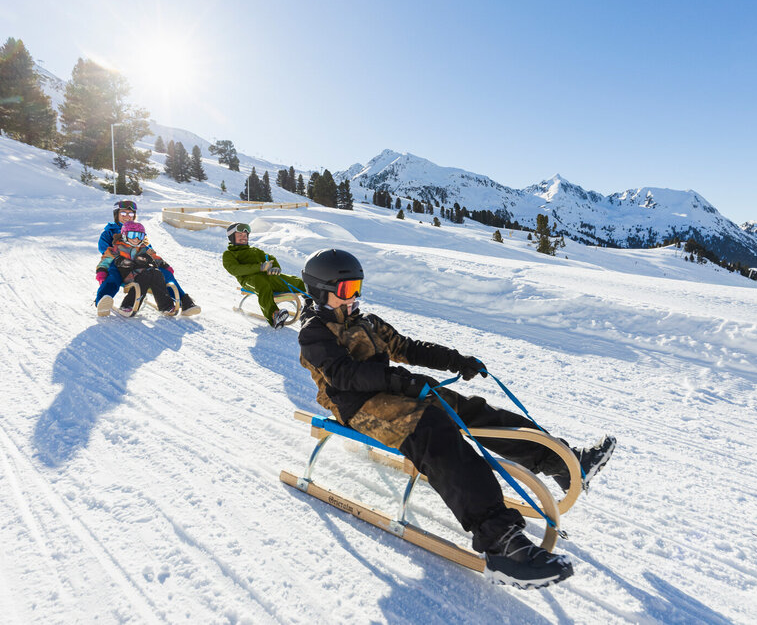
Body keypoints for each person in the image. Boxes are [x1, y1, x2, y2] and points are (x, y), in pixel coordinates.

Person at [296, 248, 616, 589]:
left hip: (391, 390)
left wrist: (456, 360)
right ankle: (501, 544)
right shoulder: (314, 332)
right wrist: (398, 381)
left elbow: (408, 347)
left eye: (357, 287)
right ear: (320, 291)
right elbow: (343, 376)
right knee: (435, 431)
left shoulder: (366, 321)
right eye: (346, 290)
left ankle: (564, 464)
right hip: (357, 407)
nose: (354, 297)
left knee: (469, 410)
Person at [95, 200, 200, 316]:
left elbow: (147, 249)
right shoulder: (109, 232)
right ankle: (102, 301)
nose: (127, 217)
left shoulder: (138, 229)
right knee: (113, 277)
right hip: (119, 264)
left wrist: (160, 263)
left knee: (164, 273)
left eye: (130, 214)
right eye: (123, 213)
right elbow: (105, 251)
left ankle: (184, 301)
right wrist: (111, 263)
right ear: (117, 214)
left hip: (139, 264)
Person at [221, 222, 307, 329]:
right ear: (232, 237)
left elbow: (271, 258)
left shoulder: (255, 251)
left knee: (293, 281)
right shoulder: (229, 254)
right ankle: (274, 315)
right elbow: (235, 269)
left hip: (267, 277)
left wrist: (275, 267)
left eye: (245, 235)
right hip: (249, 280)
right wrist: (259, 267)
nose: (243, 238)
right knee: (261, 284)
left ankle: (315, 300)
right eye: (240, 236)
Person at [96, 221, 180, 317]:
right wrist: (101, 273)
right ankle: (127, 305)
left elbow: (155, 258)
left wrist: (166, 266)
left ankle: (166, 306)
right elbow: (105, 261)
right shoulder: (117, 248)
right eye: (132, 235)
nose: (136, 239)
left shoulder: (144, 248)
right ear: (124, 235)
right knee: (145, 276)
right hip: (126, 276)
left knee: (156, 273)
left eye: (140, 236)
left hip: (142, 276)